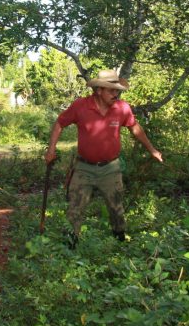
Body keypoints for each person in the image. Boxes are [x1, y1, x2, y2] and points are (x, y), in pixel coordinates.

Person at [45, 69, 163, 246]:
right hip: (84, 167)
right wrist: (51, 149)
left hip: (111, 168)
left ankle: (120, 241)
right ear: (99, 90)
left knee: (116, 208)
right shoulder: (80, 106)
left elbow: (135, 129)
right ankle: (70, 245)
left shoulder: (122, 108)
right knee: (75, 208)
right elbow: (60, 123)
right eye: (111, 90)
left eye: (117, 90)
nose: (116, 94)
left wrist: (152, 150)